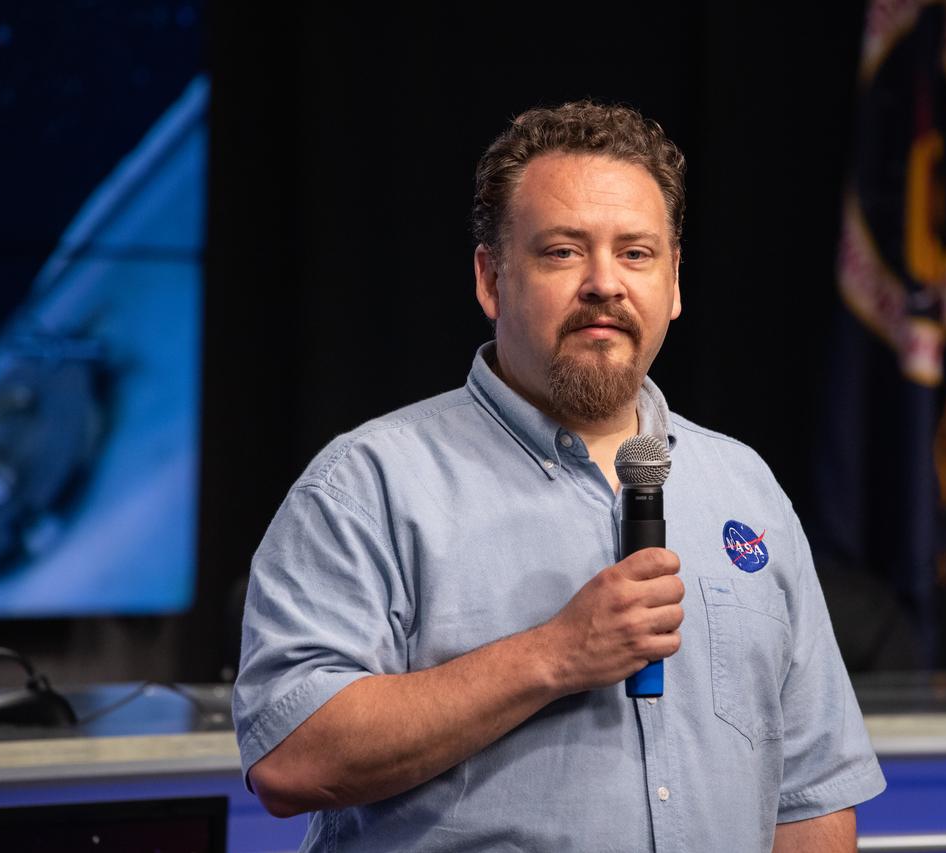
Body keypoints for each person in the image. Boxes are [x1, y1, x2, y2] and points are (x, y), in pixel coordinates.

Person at [234, 101, 885, 852]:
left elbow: (810, 792)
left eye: (636, 254)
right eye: (563, 252)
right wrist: (552, 655)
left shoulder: (745, 488)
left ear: (674, 283)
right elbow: (291, 757)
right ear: (491, 279)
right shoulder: (369, 485)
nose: (605, 283)